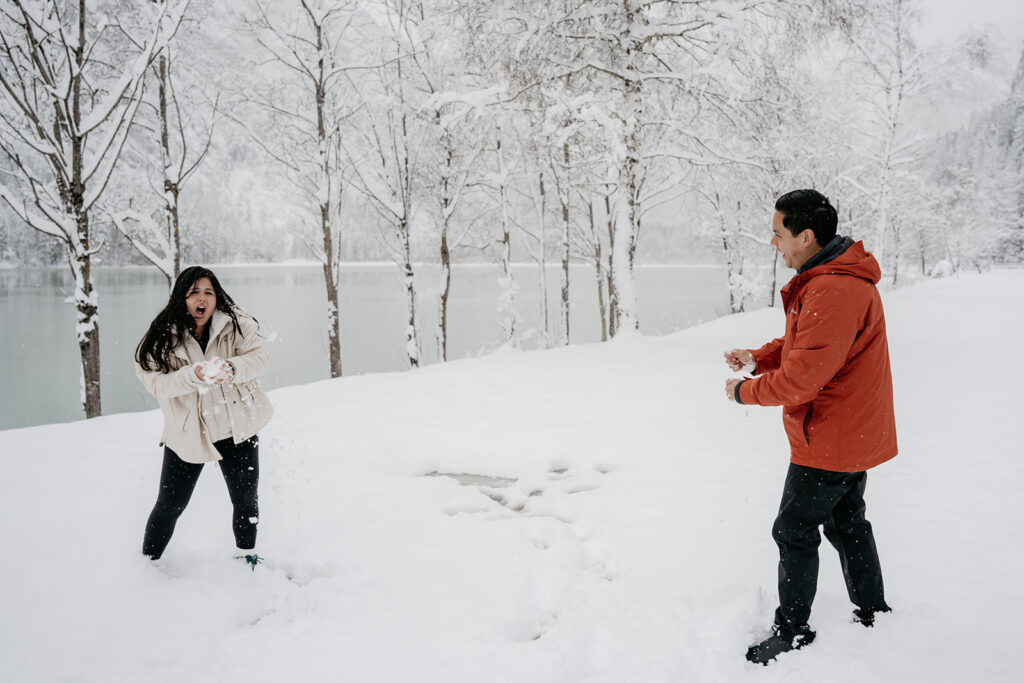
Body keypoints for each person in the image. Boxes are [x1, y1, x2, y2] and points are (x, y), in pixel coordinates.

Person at [723, 189, 897, 665]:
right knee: (848, 522)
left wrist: (744, 391)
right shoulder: (829, 278)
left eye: (779, 234)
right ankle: (873, 609)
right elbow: (809, 342)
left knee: (794, 530)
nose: (773, 242)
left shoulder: (833, 288)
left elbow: (803, 378)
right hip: (852, 431)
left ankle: (793, 630)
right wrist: (759, 357)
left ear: (806, 235)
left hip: (831, 437)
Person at [135, 266, 273, 568]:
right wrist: (192, 375)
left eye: (208, 292)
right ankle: (147, 565)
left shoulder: (235, 324)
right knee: (170, 505)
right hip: (187, 435)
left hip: (237, 429)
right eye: (194, 292)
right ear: (181, 298)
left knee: (246, 500)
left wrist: (233, 368)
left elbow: (259, 356)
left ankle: (246, 558)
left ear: (217, 297)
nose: (202, 299)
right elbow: (154, 381)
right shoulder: (162, 334)